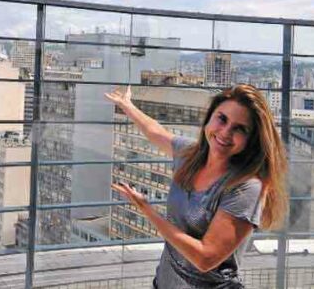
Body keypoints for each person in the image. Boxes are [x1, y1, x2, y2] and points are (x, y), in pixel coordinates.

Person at [106, 84, 288, 288]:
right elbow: (155, 131)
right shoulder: (190, 155)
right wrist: (127, 105)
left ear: (251, 140)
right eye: (222, 119)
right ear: (209, 118)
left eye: (239, 129)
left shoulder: (246, 188)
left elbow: (205, 259)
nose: (225, 132)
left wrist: (147, 210)